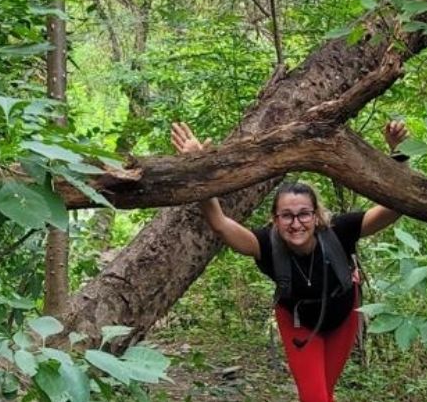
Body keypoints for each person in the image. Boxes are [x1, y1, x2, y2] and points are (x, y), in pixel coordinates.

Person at [170, 120, 409, 402]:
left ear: (316, 216)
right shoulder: (265, 245)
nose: (296, 223)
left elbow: (395, 208)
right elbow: (220, 223)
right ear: (276, 219)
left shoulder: (339, 231)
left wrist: (399, 151)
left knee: (324, 395)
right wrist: (197, 169)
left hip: (343, 316)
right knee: (316, 398)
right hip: (298, 323)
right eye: (287, 216)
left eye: (304, 214)